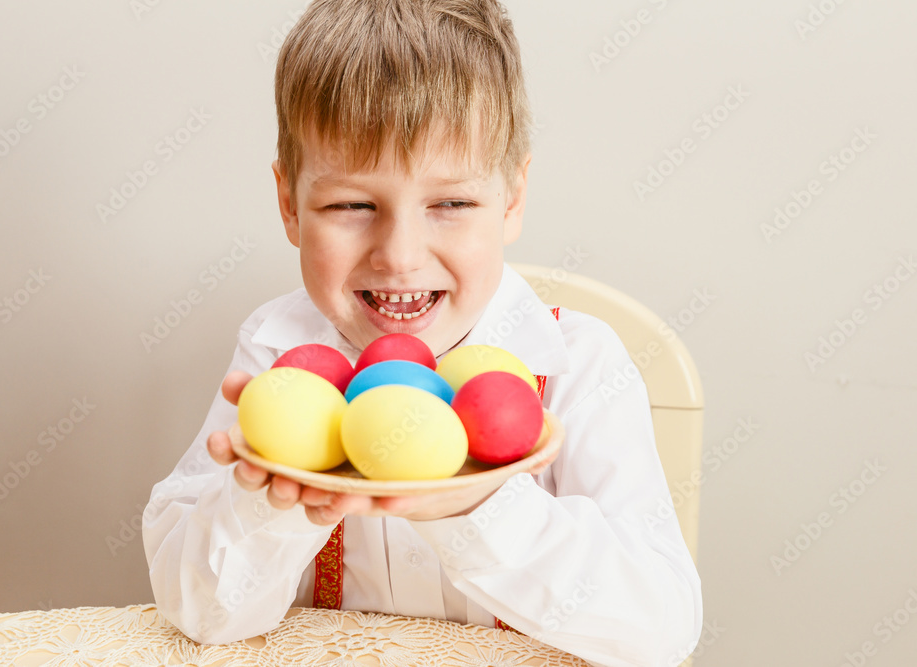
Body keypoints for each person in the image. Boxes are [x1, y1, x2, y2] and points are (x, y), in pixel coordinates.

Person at [142, 1, 702, 664]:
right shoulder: (279, 358)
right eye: (352, 204)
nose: (400, 256)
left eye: (452, 203)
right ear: (290, 204)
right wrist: (268, 503)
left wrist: (478, 508)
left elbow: (659, 629)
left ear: (512, 198)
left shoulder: (577, 364)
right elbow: (197, 612)